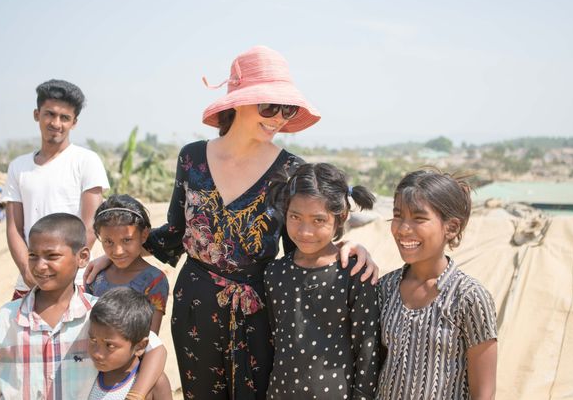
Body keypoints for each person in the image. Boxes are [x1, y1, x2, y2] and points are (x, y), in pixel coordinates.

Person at [85, 45, 379, 399]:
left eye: (286, 109)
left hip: (259, 309)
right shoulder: (191, 157)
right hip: (195, 305)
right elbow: (176, 233)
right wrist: (121, 254)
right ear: (237, 102)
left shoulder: (291, 169)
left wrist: (348, 246)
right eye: (269, 106)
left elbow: (301, 242)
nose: (278, 118)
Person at [0, 213, 167, 399]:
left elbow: (154, 349)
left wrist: (136, 394)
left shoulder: (98, 314)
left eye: (52, 256)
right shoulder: (8, 316)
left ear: (83, 257)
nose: (40, 266)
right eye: (32, 256)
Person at [377, 169, 498, 399]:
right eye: (398, 215)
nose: (403, 228)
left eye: (419, 218)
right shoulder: (385, 288)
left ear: (451, 228)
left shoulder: (469, 297)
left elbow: (484, 391)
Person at [264, 163, 381, 400]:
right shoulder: (274, 273)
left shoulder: (354, 273)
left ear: (341, 217)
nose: (305, 231)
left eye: (318, 220)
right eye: (295, 217)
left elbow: (368, 350)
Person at [1, 79, 109, 300]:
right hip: (30, 281)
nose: (56, 123)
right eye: (49, 114)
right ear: (36, 114)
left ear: (74, 122)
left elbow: (90, 227)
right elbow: (14, 228)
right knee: (12, 333)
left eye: (64, 117)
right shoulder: (18, 167)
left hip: (74, 282)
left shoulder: (86, 161)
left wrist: (63, 272)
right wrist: (28, 270)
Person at [86, 194, 173, 398]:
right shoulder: (95, 276)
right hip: (94, 367)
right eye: (108, 242)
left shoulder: (154, 280)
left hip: (132, 372)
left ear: (144, 236)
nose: (117, 250)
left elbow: (149, 338)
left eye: (127, 240)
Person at [88, 287, 169, 400]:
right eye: (93, 340)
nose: (97, 353)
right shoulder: (88, 375)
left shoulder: (155, 383)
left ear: (140, 346)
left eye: (110, 346)